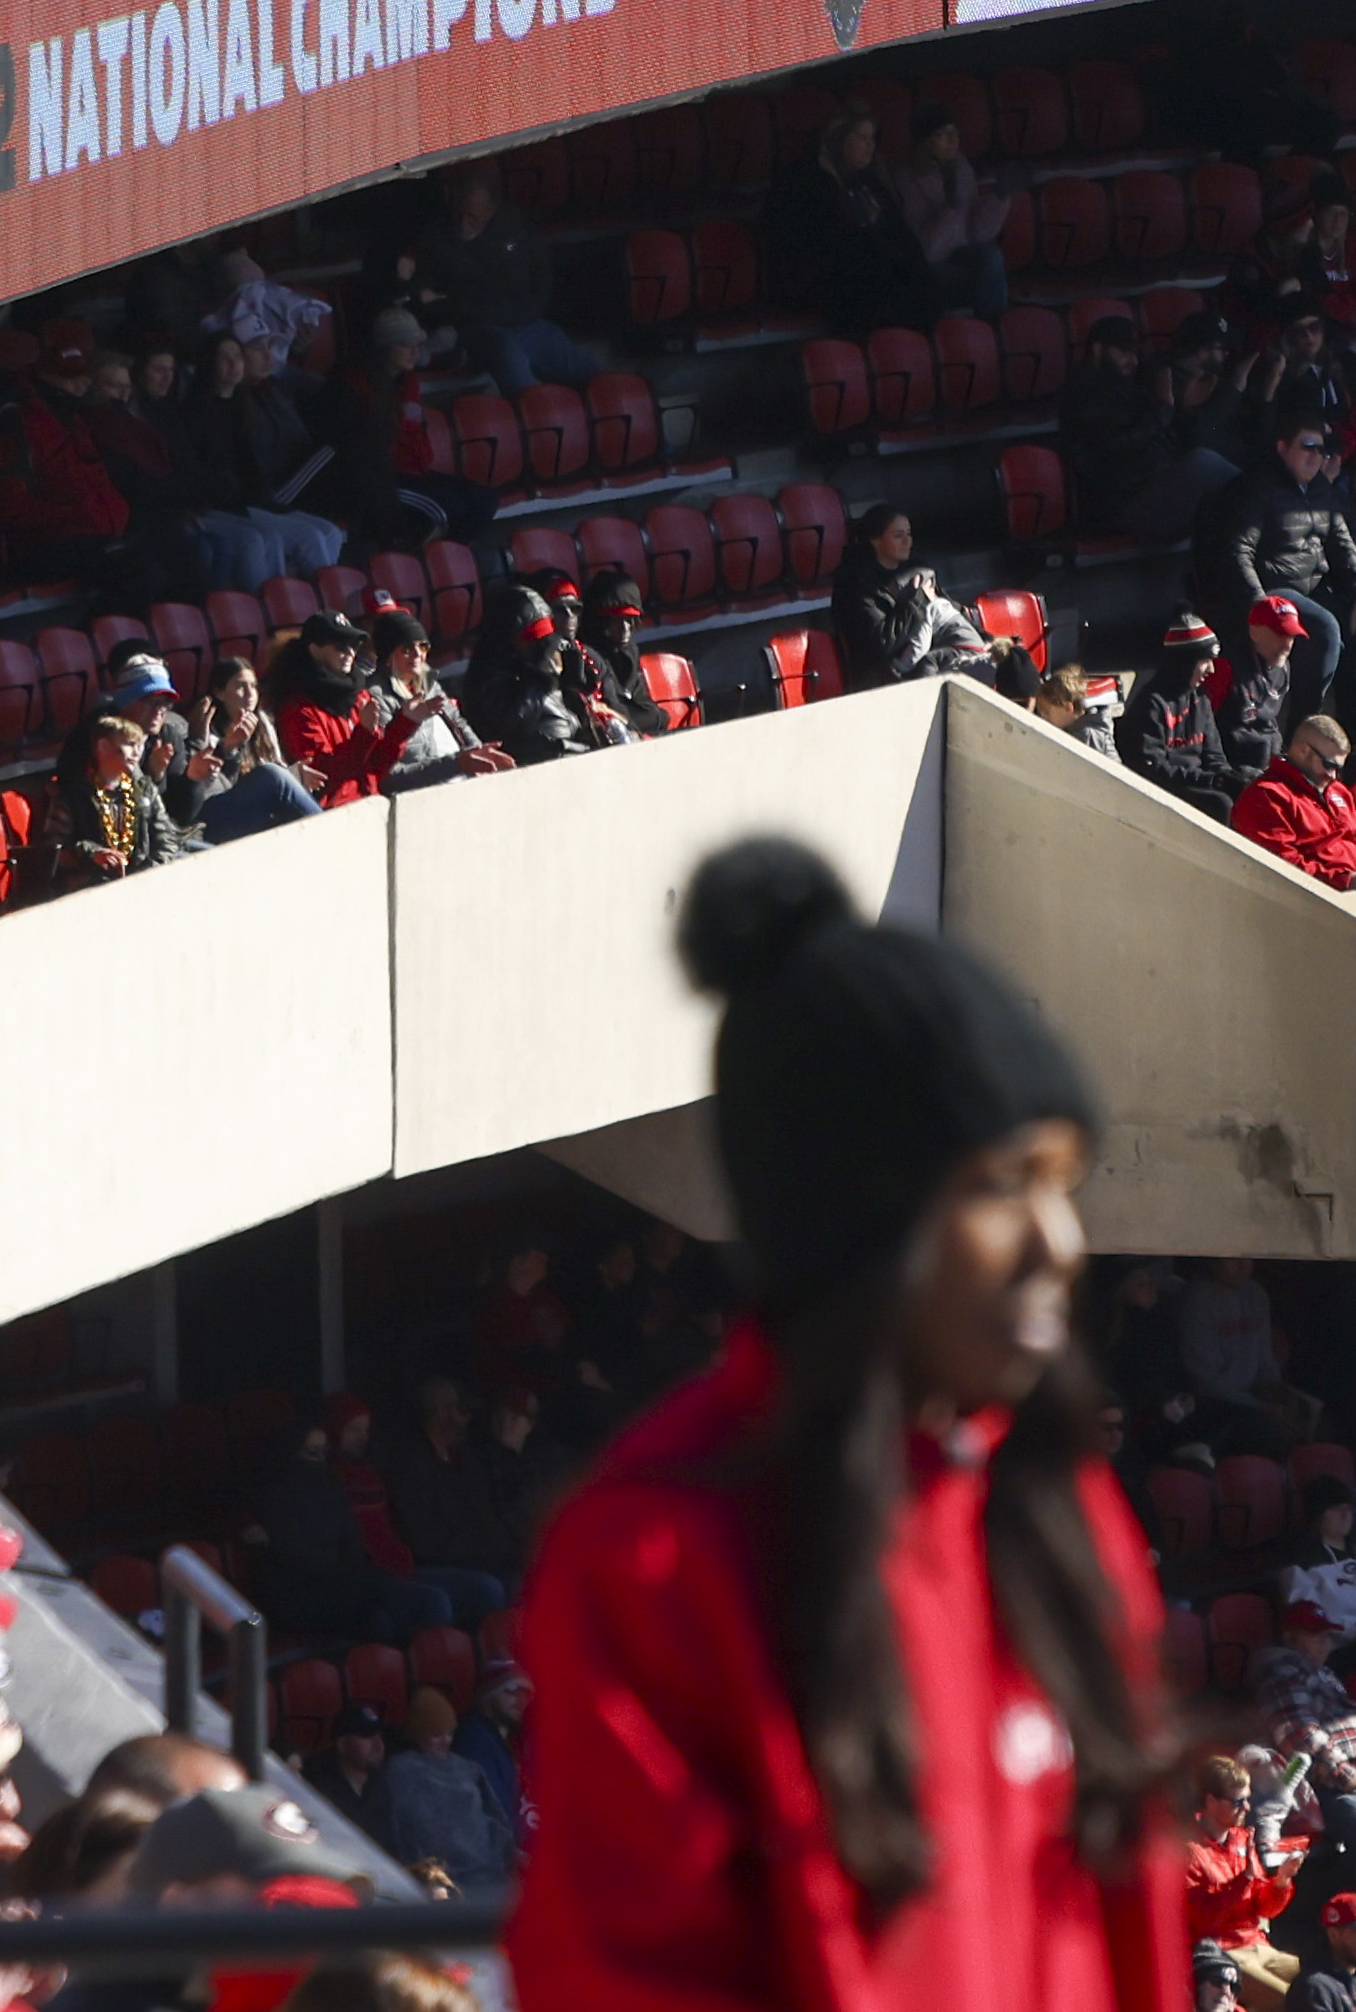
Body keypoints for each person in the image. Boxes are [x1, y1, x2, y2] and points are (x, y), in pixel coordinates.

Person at [508, 840, 1182, 2012]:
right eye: (1000, 1183)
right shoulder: (651, 1566)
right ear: (855, 1226)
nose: (1059, 1241)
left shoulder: (1056, 1503)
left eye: (1063, 1180)